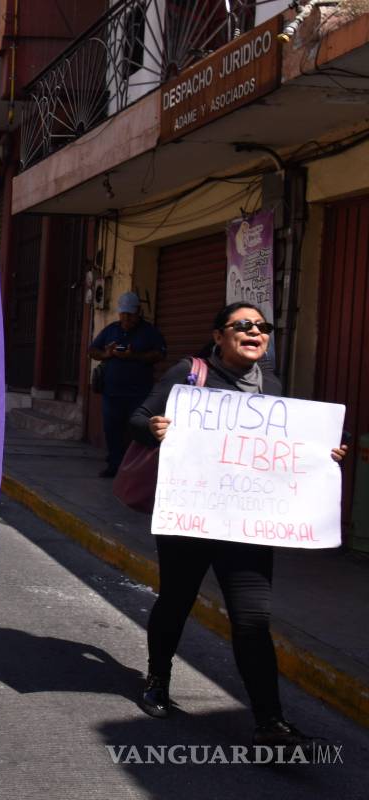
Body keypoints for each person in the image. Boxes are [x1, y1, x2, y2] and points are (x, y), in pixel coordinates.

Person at [129, 302, 348, 745]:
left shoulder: (273, 387)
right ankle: (157, 679)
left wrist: (323, 456)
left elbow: (286, 450)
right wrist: (154, 428)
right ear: (219, 336)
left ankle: (270, 721)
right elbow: (135, 420)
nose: (255, 331)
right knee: (176, 601)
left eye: (262, 326)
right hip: (190, 518)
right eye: (242, 325)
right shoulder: (188, 375)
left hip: (246, 525)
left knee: (252, 620)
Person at [88, 291, 166, 477]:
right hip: (112, 393)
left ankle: (136, 468)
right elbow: (92, 350)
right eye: (123, 314)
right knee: (112, 430)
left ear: (138, 312)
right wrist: (106, 354)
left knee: (137, 431)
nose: (126, 318)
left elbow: (160, 354)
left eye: (130, 314)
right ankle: (114, 465)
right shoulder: (112, 329)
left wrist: (134, 356)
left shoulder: (149, 331)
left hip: (139, 394)